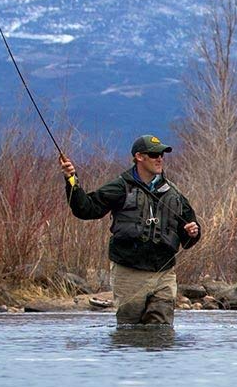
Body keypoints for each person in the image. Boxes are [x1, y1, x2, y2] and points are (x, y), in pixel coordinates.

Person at [59, 134, 202, 326]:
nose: (159, 158)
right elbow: (86, 209)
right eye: (153, 155)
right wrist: (71, 179)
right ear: (139, 157)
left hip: (163, 273)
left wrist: (193, 232)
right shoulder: (120, 186)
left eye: (161, 154)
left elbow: (188, 237)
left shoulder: (173, 193)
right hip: (129, 272)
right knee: (129, 330)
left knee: (161, 330)